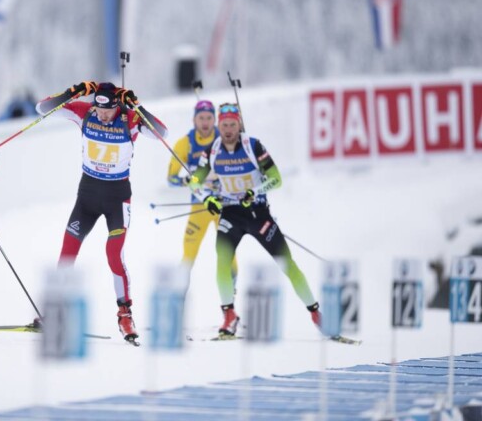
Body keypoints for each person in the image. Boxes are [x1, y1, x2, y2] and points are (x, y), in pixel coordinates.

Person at [35, 81, 167, 343]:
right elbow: (42, 108)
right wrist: (72, 93)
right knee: (68, 249)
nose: (103, 115)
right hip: (87, 196)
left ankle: (125, 314)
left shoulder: (130, 119)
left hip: (117, 198)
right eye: (99, 110)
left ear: (118, 106)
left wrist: (138, 106)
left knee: (114, 254)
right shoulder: (85, 112)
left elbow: (162, 133)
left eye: (108, 111)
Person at [188, 102, 321, 337]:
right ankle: (229, 315)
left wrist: (255, 191)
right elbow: (194, 181)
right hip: (231, 214)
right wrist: (207, 198)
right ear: (219, 125)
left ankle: (315, 312)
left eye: (232, 124)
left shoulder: (253, 146)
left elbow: (276, 178)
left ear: (239, 124)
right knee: (222, 261)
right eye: (224, 125)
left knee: (286, 263)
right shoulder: (212, 151)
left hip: (257, 213)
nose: (228, 130)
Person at [167, 99, 238, 288]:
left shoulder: (226, 138)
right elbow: (171, 179)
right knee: (189, 251)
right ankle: (181, 292)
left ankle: (231, 295)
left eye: (209, 118)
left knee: (227, 251)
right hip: (200, 205)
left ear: (215, 120)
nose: (205, 122)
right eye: (201, 118)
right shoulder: (185, 143)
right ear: (194, 120)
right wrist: (186, 181)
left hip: (225, 205)